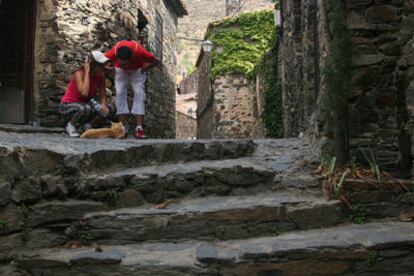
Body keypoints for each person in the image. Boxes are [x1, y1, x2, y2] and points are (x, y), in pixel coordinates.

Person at [102, 40, 160, 139]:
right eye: (122, 63)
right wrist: (110, 69)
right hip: (119, 71)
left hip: (137, 70)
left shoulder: (139, 51)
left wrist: (144, 69)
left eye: (126, 64)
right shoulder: (114, 51)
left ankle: (139, 129)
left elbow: (156, 61)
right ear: (117, 58)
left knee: (139, 93)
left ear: (132, 56)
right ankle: (121, 127)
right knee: (120, 93)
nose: (125, 66)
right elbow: (101, 62)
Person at [59, 51, 116, 137]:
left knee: (110, 109)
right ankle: (70, 125)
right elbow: (84, 93)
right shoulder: (79, 74)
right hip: (67, 105)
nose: (103, 68)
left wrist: (104, 104)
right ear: (92, 65)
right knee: (85, 108)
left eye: (103, 65)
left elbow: (103, 93)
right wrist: (87, 72)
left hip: (87, 104)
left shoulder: (101, 76)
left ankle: (88, 126)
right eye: (100, 65)